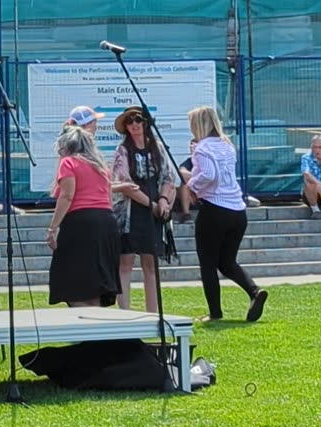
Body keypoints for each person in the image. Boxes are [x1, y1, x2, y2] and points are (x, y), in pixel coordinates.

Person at [186, 106, 268, 323]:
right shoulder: (226, 144)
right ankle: (254, 291)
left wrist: (191, 184)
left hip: (214, 209)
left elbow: (209, 175)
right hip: (237, 211)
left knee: (208, 263)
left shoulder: (202, 148)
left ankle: (215, 312)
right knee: (228, 262)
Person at [45, 126, 122, 308]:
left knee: (74, 278)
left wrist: (53, 227)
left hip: (80, 223)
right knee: (95, 279)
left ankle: (82, 322)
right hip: (106, 221)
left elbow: (67, 195)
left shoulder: (69, 163)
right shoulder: (101, 167)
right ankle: (96, 326)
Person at [111, 107, 175, 313]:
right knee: (125, 264)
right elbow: (126, 184)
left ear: (146, 122)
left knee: (151, 265)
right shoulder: (123, 151)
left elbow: (167, 177)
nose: (134, 124)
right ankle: (125, 313)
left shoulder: (157, 148)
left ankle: (153, 314)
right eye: (130, 121)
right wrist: (151, 204)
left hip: (154, 213)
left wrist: (164, 200)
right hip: (131, 213)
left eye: (138, 119)